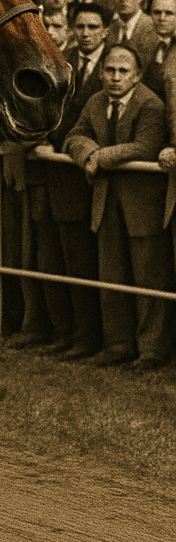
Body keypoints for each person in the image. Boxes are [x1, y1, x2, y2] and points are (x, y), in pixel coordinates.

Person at [64, 44, 171, 369]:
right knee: (111, 276)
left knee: (148, 279)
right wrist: (87, 153)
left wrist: (100, 157)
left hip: (143, 207)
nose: (115, 77)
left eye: (123, 71)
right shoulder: (96, 101)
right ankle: (117, 345)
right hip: (106, 201)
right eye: (109, 70)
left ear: (137, 75)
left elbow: (147, 145)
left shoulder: (150, 104)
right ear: (100, 72)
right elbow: (73, 136)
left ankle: (151, 351)